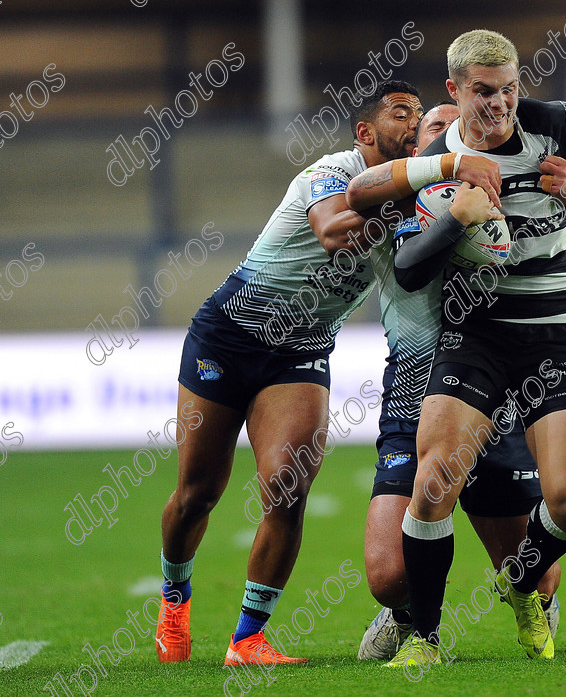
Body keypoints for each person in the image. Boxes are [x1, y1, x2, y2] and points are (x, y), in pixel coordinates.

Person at [351, 29, 566, 666]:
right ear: (455, 92)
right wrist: (457, 216)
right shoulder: (440, 161)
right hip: (477, 339)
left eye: (510, 89)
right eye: (484, 92)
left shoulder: (558, 128)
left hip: (561, 338)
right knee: (433, 483)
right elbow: (405, 267)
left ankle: (518, 582)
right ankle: (424, 638)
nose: (500, 104)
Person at [153, 80, 430, 668]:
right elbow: (334, 232)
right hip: (228, 336)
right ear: (364, 132)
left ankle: (247, 638)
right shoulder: (334, 171)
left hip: (300, 350)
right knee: (198, 493)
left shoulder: (418, 201)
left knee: (287, 487)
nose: (414, 123)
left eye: (421, 116)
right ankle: (175, 597)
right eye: (401, 113)